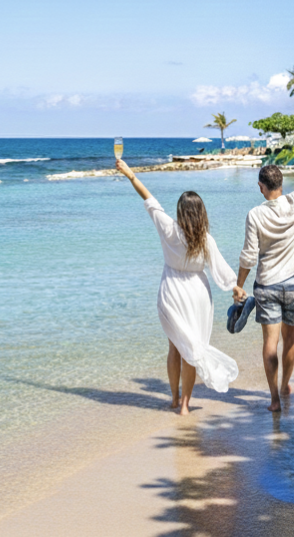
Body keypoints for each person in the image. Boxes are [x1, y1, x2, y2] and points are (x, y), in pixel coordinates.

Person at [116, 159, 240, 415]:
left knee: (175, 346)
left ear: (180, 212)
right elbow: (221, 270)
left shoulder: (168, 228)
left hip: (172, 290)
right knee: (191, 349)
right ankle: (185, 405)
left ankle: (174, 399)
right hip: (197, 294)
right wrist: (235, 288)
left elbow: (149, 199)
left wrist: (130, 174)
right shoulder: (205, 239)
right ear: (201, 213)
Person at [232, 122, 294, 412]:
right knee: (292, 338)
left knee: (270, 342)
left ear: (262, 187)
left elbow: (249, 256)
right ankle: (285, 383)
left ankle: (274, 400)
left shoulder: (255, 214)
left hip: (266, 286)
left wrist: (239, 285)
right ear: (281, 185)